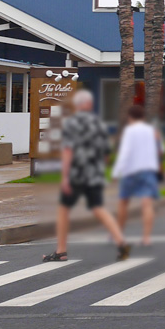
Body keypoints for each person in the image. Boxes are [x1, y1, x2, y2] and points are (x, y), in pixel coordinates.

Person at [45, 89, 130, 262]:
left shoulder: (71, 123)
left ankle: (61, 251)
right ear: (90, 105)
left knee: (63, 210)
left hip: (76, 174)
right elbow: (106, 152)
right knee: (99, 208)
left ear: (77, 106)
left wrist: (65, 177)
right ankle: (121, 243)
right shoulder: (99, 124)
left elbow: (68, 151)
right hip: (94, 173)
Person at [114, 104, 161, 246]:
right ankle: (146, 237)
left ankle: (119, 233)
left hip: (130, 171)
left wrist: (117, 171)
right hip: (148, 169)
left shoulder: (129, 131)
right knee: (147, 204)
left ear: (130, 117)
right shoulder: (152, 131)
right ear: (143, 117)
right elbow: (160, 150)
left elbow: (125, 152)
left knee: (123, 202)